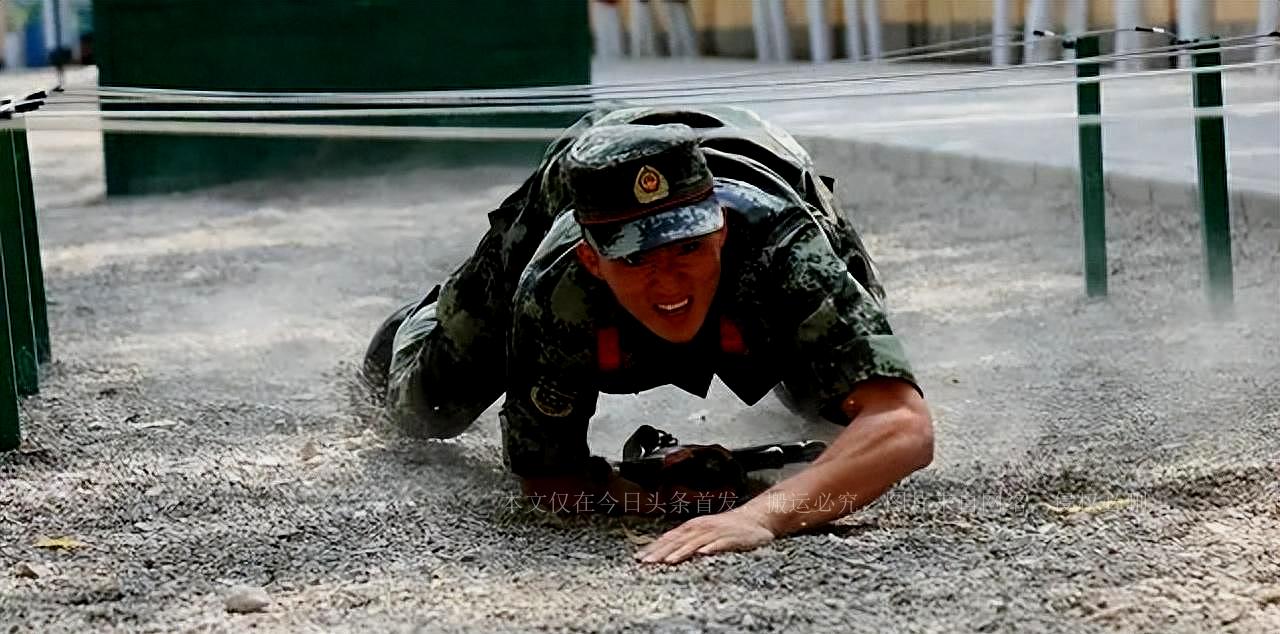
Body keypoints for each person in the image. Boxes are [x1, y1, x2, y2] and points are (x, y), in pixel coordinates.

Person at [361, 106, 933, 564]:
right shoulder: (557, 284)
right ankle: (431, 315)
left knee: (831, 404)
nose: (668, 282)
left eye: (688, 247)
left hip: (760, 159)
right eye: (636, 260)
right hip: (580, 176)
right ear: (593, 260)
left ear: (720, 230)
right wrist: (641, 491)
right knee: (428, 405)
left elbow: (902, 426)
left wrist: (758, 514)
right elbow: (546, 477)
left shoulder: (784, 250)